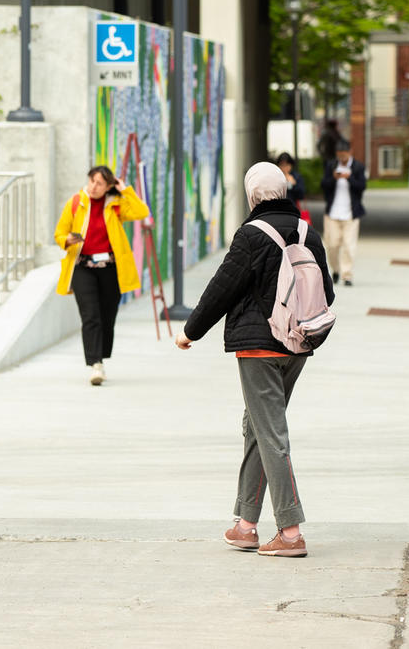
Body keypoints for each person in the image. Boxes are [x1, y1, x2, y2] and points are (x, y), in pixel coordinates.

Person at [175, 162, 335, 558]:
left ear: (252, 195)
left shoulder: (250, 235)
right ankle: (246, 525)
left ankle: (291, 532)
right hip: (298, 345)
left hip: (258, 349)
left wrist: (190, 331)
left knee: (271, 433)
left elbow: (221, 289)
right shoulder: (306, 232)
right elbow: (326, 292)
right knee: (258, 426)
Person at [54, 165, 150, 386]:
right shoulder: (76, 203)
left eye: (99, 183)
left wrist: (125, 190)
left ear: (109, 186)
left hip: (110, 269)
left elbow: (142, 212)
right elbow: (59, 232)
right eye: (91, 181)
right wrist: (67, 240)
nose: (93, 187)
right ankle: (95, 364)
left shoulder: (116, 206)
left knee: (107, 317)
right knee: (91, 316)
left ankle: (101, 355)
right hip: (82, 268)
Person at [320, 140, 366, 287]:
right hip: (333, 213)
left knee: (349, 245)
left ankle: (347, 275)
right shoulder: (331, 165)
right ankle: (336, 270)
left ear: (350, 152)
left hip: (350, 214)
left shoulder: (358, 167)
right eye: (339, 156)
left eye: (344, 155)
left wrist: (349, 177)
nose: (342, 159)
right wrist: (334, 178)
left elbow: (362, 187)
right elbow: (323, 185)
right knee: (331, 245)